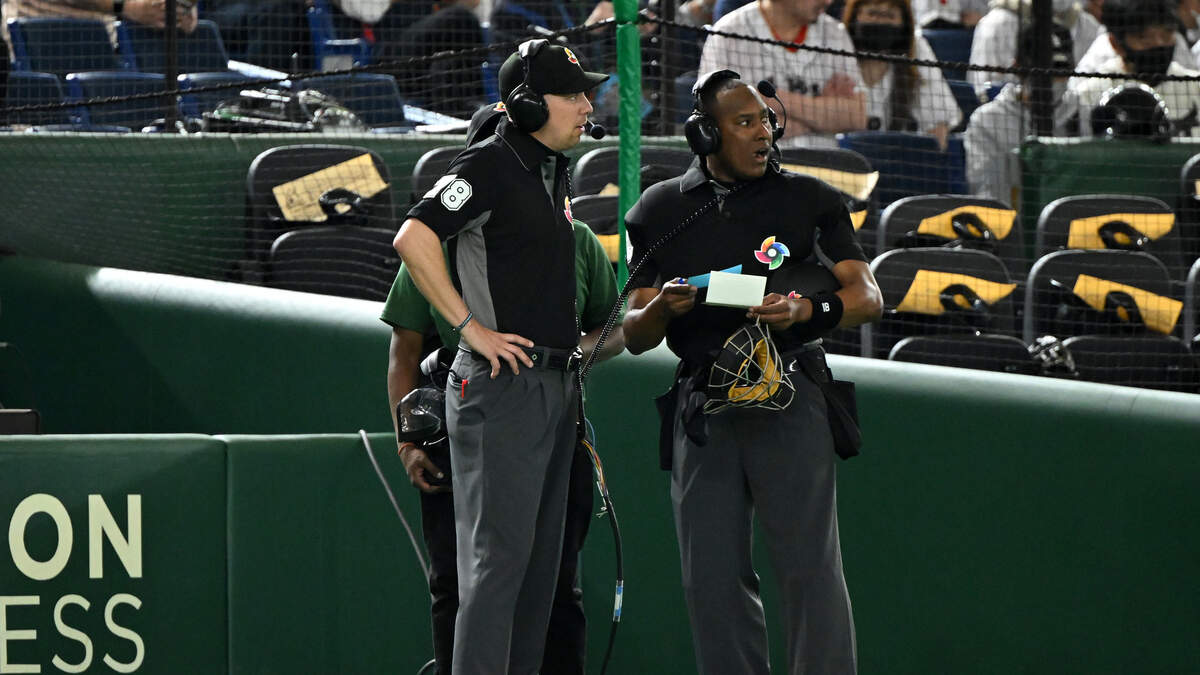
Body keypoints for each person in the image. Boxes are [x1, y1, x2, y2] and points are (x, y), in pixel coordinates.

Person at [622, 69, 883, 675]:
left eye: (766, 120)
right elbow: (635, 334)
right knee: (709, 578)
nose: (763, 132)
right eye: (744, 123)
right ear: (706, 135)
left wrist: (807, 310)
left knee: (809, 569)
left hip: (790, 391)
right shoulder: (659, 208)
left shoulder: (811, 198)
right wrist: (662, 308)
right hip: (703, 406)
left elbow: (867, 296)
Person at [384, 58, 623, 673]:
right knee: (495, 568)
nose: (588, 106)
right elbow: (413, 237)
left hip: (556, 385)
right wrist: (471, 327)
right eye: (573, 95)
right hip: (501, 388)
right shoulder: (489, 163)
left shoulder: (551, 174)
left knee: (540, 574)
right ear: (528, 104)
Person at [699, 0, 868, 149]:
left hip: (826, 165)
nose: (828, 1)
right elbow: (721, 120)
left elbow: (857, 117)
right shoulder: (728, 32)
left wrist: (768, 100)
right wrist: (822, 114)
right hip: (756, 167)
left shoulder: (836, 33)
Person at [965, 25, 1079, 203]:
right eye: (1040, 71)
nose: (1050, 80)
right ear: (1017, 67)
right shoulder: (987, 121)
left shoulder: (1082, 112)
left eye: (1059, 71)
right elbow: (986, 193)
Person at [1069, 0, 1200, 136]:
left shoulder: (1195, 86)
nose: (1158, 44)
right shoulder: (1089, 94)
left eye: (1166, 36)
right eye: (1145, 39)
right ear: (1115, 43)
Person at [843, 0, 961, 148]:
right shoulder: (837, 41)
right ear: (856, 14)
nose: (880, 22)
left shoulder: (916, 47)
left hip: (898, 155)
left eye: (890, 16)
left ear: (903, 22)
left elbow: (938, 121)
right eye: (872, 13)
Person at [968, 0, 1103, 95]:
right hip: (1011, 115)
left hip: (1070, 115)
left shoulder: (1089, 26)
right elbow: (982, 90)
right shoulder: (996, 23)